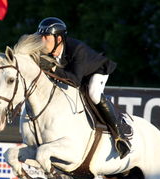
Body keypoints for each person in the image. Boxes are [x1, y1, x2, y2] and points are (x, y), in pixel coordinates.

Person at [37, 17, 131, 159]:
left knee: (93, 93)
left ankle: (120, 136)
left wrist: (53, 68)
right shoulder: (45, 52)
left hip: (96, 71)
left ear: (58, 39)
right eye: (41, 36)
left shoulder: (77, 49)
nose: (42, 41)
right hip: (74, 74)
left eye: (46, 37)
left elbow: (74, 81)